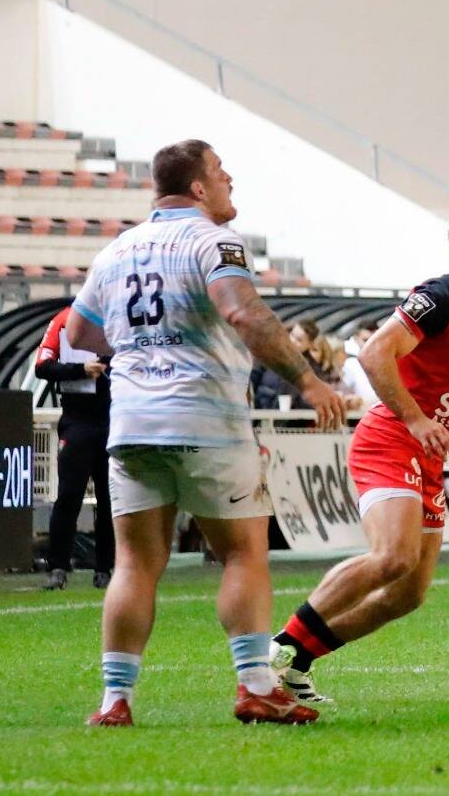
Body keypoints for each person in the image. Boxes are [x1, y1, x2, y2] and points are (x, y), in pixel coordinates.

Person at [67, 140, 345, 727]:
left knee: (135, 565)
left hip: (133, 424)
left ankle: (115, 701)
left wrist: (142, 355)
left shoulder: (115, 250)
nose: (229, 181)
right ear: (197, 187)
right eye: (221, 172)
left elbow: (80, 332)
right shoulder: (210, 240)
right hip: (205, 417)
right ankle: (256, 686)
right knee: (242, 553)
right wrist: (310, 381)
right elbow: (244, 313)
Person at [269, 203, 449, 703]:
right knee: (391, 557)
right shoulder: (441, 294)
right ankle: (277, 648)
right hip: (389, 438)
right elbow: (374, 352)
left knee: (409, 592)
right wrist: (415, 419)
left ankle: (298, 661)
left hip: (428, 453)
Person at [33, 308, 112, 590]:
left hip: (114, 420)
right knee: (68, 495)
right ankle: (58, 567)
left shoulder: (121, 315)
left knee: (110, 498)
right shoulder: (65, 320)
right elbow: (42, 366)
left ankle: (105, 568)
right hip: (77, 421)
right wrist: (80, 370)